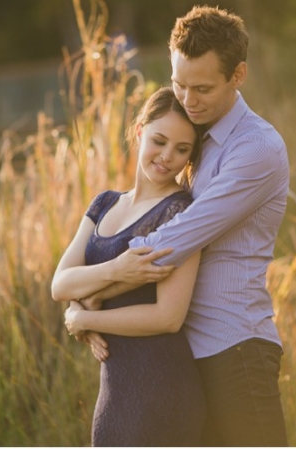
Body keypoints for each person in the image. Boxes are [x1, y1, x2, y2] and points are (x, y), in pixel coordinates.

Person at [58, 5, 290, 446]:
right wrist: (87, 306)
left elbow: (176, 239)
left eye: (202, 88)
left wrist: (89, 301)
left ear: (238, 75)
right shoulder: (195, 141)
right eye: (179, 84)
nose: (187, 99)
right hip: (185, 357)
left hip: (235, 350)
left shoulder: (255, 149)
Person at [51, 87, 206, 447]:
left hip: (161, 385)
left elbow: (167, 317)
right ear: (139, 131)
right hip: (116, 388)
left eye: (182, 150)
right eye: (159, 141)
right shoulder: (104, 204)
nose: (167, 157)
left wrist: (85, 319)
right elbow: (61, 284)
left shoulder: (180, 213)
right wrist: (116, 271)